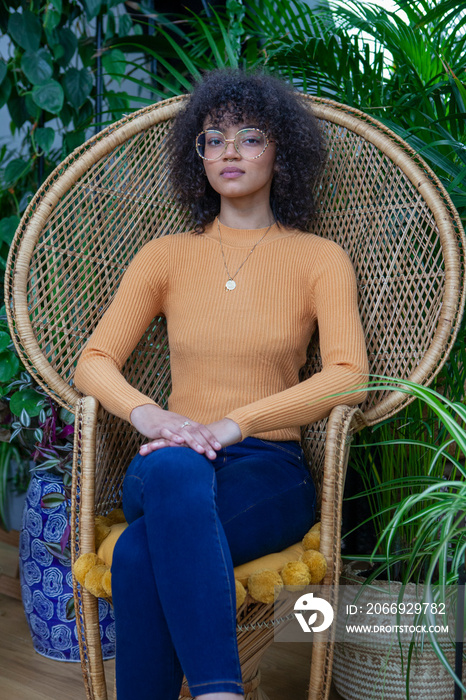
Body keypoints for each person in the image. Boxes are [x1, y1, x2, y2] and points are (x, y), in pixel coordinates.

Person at [73, 68, 368, 700]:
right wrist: (150, 415)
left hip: (268, 467)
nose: (229, 151)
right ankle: (220, 693)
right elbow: (93, 360)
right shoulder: (165, 256)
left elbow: (349, 377)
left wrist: (234, 425)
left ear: (282, 150)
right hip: (166, 458)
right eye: (213, 138)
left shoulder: (320, 259)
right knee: (179, 469)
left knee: (137, 555)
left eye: (250, 136)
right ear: (197, 156)